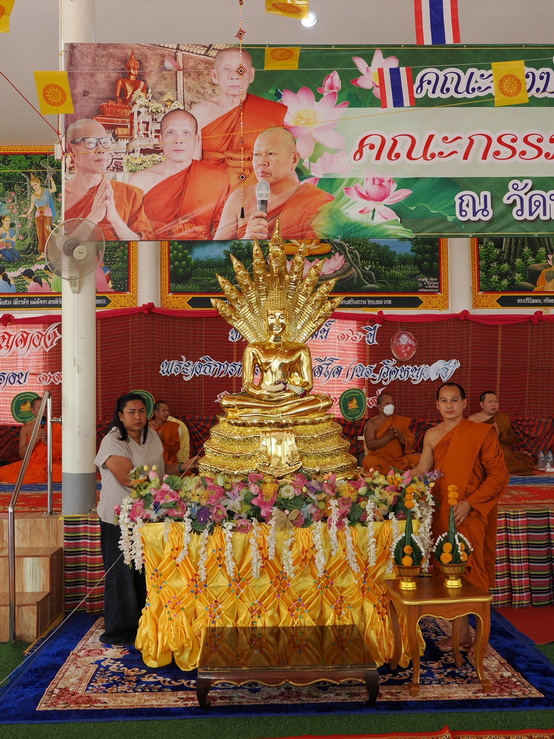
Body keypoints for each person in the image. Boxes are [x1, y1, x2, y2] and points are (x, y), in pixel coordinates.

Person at [413, 382, 508, 650]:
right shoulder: (432, 435)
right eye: (444, 401)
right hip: (443, 512)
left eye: (454, 400)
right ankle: (462, 633)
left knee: (472, 574)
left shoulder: (481, 432)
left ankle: (481, 637)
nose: (449, 405)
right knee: (448, 572)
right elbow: (422, 469)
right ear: (437, 405)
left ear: (464, 404)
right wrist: (391, 483)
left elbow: (498, 474)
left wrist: (471, 503)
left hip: (470, 512)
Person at [94, 393, 165, 646]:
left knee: (144, 572)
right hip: (119, 518)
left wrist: (185, 469)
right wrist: (167, 490)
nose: (138, 417)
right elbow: (128, 478)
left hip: (149, 516)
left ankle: (144, 625)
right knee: (121, 576)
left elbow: (161, 470)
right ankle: (119, 632)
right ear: (120, 416)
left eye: (142, 411)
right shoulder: (112, 440)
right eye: (132, 412)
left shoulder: (152, 435)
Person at [214, 127, 334, 241]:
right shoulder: (239, 198)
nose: (261, 162)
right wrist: (247, 240)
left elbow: (325, 249)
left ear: (294, 160)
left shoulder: (317, 201)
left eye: (271, 154)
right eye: (257, 155)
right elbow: (216, 252)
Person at [190, 47, 286, 190]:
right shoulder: (200, 112)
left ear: (251, 75)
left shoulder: (271, 112)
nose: (234, 76)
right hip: (210, 190)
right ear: (215, 75)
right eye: (226, 69)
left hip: (258, 191)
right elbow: (192, 163)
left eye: (240, 70)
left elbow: (280, 162)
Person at [128, 109, 229, 239]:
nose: (178, 140)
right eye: (170, 133)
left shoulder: (217, 179)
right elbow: (129, 233)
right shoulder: (139, 181)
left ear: (196, 141)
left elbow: (225, 233)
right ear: (160, 140)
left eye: (186, 133)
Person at [220, 307, 333, 421]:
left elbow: (308, 384)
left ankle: (271, 414)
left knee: (324, 401)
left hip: (289, 397)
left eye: (282, 317)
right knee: (227, 401)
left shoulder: (300, 348)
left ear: (288, 321)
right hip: (262, 397)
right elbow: (247, 383)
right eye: (272, 317)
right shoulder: (253, 348)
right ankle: (281, 412)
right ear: (265, 322)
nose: (277, 322)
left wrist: (290, 394)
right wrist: (259, 393)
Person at [64, 119, 152, 241]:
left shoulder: (129, 194)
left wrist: (115, 219)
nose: (101, 149)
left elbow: (142, 243)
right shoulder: (60, 195)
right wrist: (93, 217)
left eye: (105, 142)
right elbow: (58, 247)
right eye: (91, 142)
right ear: (70, 148)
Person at [468, 391, 535, 474]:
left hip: (501, 452)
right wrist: (488, 435)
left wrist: (499, 434)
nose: (493, 404)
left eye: (496, 402)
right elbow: (469, 441)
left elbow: (512, 440)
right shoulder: (473, 420)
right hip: (482, 452)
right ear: (482, 404)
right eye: (490, 402)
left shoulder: (503, 417)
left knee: (524, 467)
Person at [0, 397, 62, 483]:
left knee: (64, 474)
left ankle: (41, 477)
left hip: (53, 464)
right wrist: (34, 441)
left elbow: (66, 451)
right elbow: (22, 455)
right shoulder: (26, 428)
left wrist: (48, 441)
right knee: (2, 472)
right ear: (32, 410)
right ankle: (40, 477)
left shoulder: (59, 425)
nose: (44, 410)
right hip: (33, 464)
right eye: (40, 407)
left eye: (46, 407)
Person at [362, 392, 419, 474]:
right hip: (380, 460)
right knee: (368, 461)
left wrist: (400, 436)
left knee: (418, 459)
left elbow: (411, 443)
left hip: (399, 460)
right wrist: (389, 436)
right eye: (387, 403)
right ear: (379, 406)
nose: (391, 406)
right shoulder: (372, 423)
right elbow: (370, 445)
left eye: (392, 403)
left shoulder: (401, 421)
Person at [19, 174, 57, 256]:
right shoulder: (33, 196)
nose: (34, 187)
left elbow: (54, 189)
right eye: (32, 186)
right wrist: (26, 214)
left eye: (35, 185)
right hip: (38, 215)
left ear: (39, 183)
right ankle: (42, 252)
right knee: (40, 233)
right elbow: (32, 206)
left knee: (47, 231)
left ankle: (50, 251)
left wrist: (52, 180)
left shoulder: (46, 191)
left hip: (47, 213)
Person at [148, 400, 181, 466]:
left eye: (168, 411)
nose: (167, 413)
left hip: (168, 462)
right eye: (164, 411)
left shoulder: (172, 426)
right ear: (156, 412)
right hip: (150, 461)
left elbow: (175, 450)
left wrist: (164, 441)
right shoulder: (147, 427)